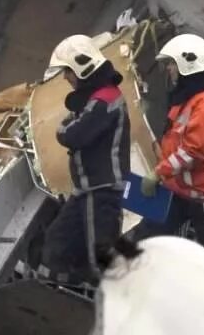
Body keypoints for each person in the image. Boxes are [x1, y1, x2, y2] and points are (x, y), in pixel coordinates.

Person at [134, 34, 204, 269]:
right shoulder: (186, 101)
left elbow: (193, 151)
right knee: (146, 239)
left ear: (187, 64)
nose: (169, 69)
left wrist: (158, 173)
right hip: (180, 191)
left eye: (172, 64)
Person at [39, 34, 131, 285]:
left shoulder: (106, 99)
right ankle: (59, 299)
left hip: (102, 191)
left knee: (101, 259)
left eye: (67, 71)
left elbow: (74, 134)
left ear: (82, 66)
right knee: (57, 245)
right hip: (85, 192)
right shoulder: (95, 99)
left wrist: (63, 129)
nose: (66, 78)